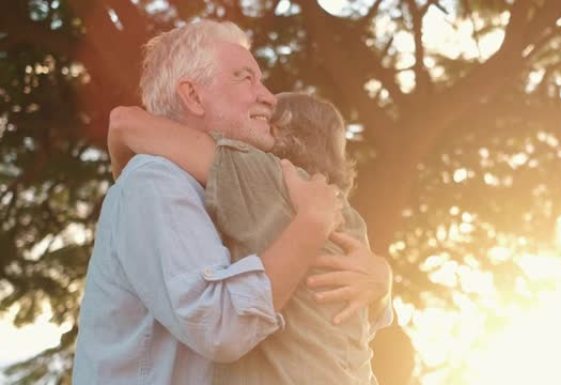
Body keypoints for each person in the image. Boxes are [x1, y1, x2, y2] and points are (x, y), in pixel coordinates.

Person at [73, 20, 391, 385]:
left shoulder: (266, 191)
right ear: (193, 96)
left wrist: (381, 284)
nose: (269, 97)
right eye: (245, 78)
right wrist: (311, 224)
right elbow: (223, 325)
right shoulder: (156, 181)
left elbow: (332, 320)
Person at [108, 92, 383, 384]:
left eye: (263, 117)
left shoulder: (270, 178)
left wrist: (121, 187)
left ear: (278, 129)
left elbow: (125, 122)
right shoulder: (352, 221)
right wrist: (385, 279)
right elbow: (375, 313)